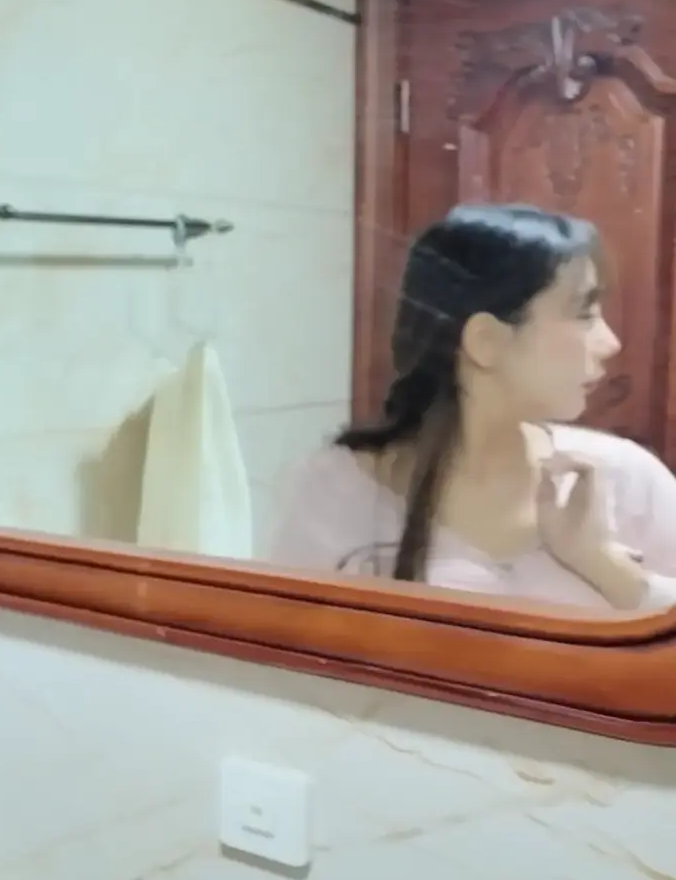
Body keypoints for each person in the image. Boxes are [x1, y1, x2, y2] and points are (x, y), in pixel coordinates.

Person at [266, 203, 676, 612]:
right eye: (584, 314)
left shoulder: (627, 481)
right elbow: (287, 642)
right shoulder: (338, 488)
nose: (610, 343)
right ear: (485, 341)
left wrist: (604, 564)